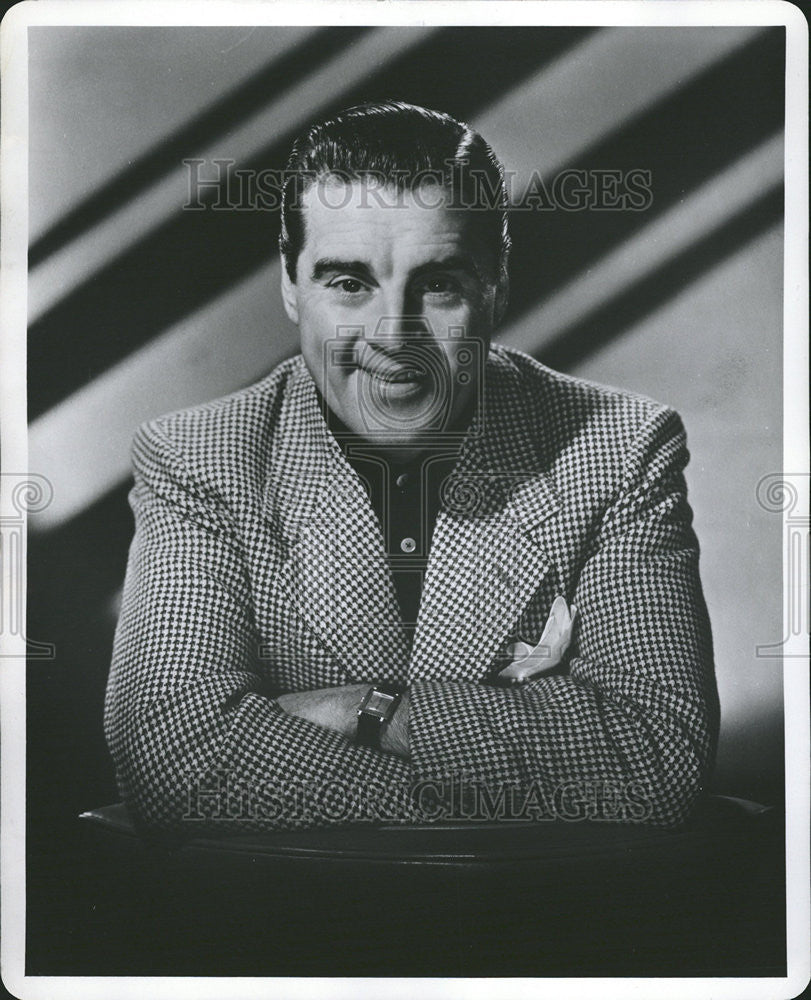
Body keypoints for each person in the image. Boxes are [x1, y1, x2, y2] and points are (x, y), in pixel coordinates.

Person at [104, 101, 719, 833]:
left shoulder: (616, 448)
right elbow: (173, 758)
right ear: (291, 287)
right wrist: (526, 769)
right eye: (348, 284)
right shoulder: (198, 457)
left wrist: (368, 712)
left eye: (438, 286)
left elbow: (657, 759)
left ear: (496, 286)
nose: (394, 336)